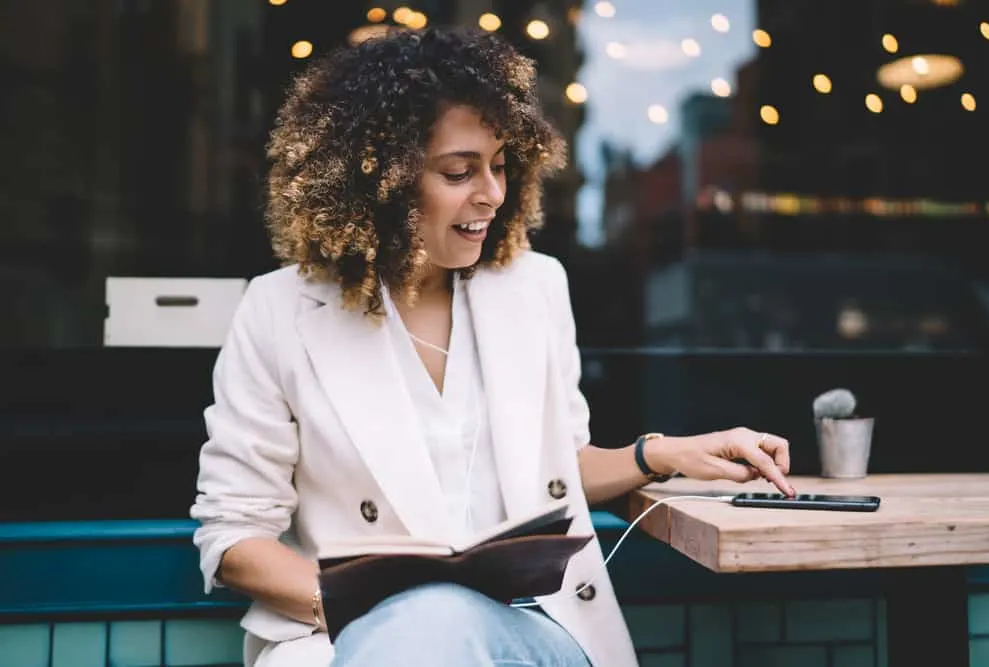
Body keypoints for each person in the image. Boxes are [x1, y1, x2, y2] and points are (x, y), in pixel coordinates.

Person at [190, 26, 794, 667]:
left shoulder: (534, 286)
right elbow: (233, 535)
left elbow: (557, 468)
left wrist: (664, 453)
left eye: (501, 165)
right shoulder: (280, 309)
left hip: (532, 634)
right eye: (459, 171)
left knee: (440, 623)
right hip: (344, 638)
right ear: (378, 181)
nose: (493, 194)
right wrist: (359, 607)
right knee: (428, 623)